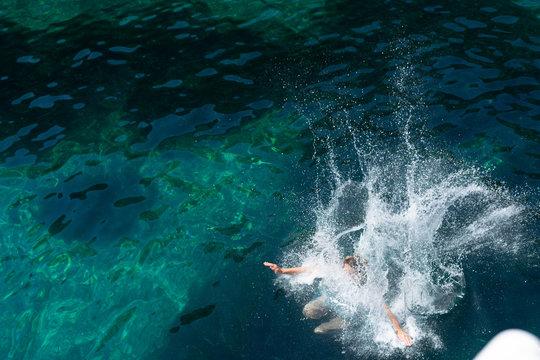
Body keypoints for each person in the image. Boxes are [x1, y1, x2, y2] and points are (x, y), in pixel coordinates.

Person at [264, 255, 413, 346]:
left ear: (360, 275)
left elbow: (386, 310)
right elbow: (309, 269)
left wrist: (399, 330)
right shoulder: (336, 271)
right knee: (308, 311)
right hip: (330, 299)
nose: (346, 277)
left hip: (350, 314)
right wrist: (282, 270)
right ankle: (325, 307)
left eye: (351, 275)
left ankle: (338, 323)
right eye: (345, 271)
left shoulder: (368, 289)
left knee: (320, 330)